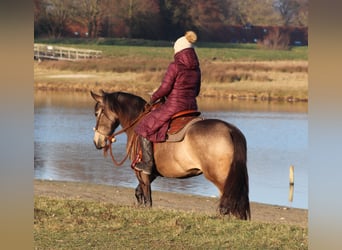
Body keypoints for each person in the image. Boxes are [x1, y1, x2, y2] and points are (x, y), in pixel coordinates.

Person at [133, 30, 201, 175]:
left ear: (178, 51)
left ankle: (148, 164)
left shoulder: (175, 66)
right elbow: (196, 91)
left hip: (174, 106)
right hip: (192, 107)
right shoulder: (196, 68)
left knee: (143, 127)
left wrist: (153, 99)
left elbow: (165, 88)